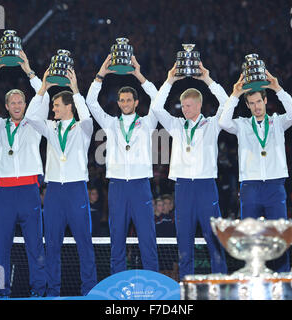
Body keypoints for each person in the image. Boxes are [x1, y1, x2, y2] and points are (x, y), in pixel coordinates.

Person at [0, 51, 47, 298]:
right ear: (6, 107)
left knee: (35, 245)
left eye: (20, 102)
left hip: (29, 191)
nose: (17, 105)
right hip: (5, 193)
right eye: (12, 103)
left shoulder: (35, 124)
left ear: (25, 105)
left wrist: (29, 70)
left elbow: (45, 96)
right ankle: (1, 293)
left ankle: (39, 291)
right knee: (1, 247)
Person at [151, 62, 228, 280]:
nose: (184, 109)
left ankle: (221, 284)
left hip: (206, 187)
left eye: (188, 106)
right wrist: (169, 80)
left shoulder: (213, 125)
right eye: (182, 106)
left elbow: (227, 102)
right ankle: (186, 286)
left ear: (199, 106)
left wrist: (207, 79)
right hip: (183, 187)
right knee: (184, 241)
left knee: (214, 239)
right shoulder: (176, 125)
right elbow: (157, 108)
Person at [25, 68, 97, 296]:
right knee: (52, 245)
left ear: (69, 107)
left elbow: (87, 117)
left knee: (84, 243)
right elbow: (30, 117)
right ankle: (52, 292)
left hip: (77, 190)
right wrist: (43, 88)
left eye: (56, 105)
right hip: (54, 191)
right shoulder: (50, 127)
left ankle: (89, 291)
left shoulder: (83, 129)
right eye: (52, 105)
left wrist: (75, 90)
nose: (53, 109)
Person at [218, 71, 292, 272]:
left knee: (279, 239)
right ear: (247, 105)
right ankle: (253, 281)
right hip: (250, 187)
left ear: (265, 100)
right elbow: (223, 122)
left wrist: (277, 88)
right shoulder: (242, 125)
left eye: (258, 102)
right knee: (251, 240)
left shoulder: (279, 122)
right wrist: (235, 95)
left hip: (275, 185)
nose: (256, 107)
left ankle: (282, 284)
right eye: (251, 103)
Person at [85, 55, 159, 274]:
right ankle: (116, 281)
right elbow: (90, 102)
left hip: (140, 186)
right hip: (117, 186)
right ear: (118, 102)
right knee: (117, 236)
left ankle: (153, 282)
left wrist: (138, 74)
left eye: (129, 100)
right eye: (122, 100)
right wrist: (101, 74)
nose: (125, 103)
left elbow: (158, 100)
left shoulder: (147, 123)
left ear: (136, 102)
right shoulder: (110, 123)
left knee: (147, 236)